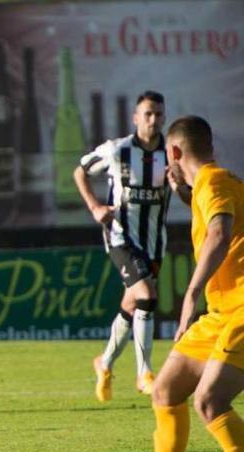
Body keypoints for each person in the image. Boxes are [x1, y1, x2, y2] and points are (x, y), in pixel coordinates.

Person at [74, 90, 188, 402]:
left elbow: (187, 196)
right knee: (148, 296)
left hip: (154, 243)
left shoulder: (171, 155)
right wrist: (95, 207)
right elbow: (80, 171)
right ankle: (144, 372)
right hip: (120, 237)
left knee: (132, 305)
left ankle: (105, 363)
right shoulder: (117, 150)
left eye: (159, 115)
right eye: (148, 114)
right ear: (135, 117)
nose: (153, 120)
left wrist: (178, 185)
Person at [152, 116, 244, 452]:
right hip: (223, 312)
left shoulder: (215, 181)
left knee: (209, 400)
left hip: (241, 311)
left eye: (167, 156)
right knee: (166, 390)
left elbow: (221, 232)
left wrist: (190, 294)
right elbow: (220, 221)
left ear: (174, 152)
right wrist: (185, 197)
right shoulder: (210, 186)